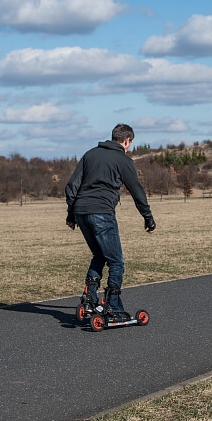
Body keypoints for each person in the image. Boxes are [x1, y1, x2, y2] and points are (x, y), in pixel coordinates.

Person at [65, 123, 156, 320]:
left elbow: (72, 186)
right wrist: (148, 219)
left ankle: (89, 299)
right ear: (127, 141)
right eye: (130, 144)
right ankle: (112, 306)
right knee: (116, 261)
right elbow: (137, 192)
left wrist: (71, 215)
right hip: (102, 212)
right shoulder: (122, 160)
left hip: (81, 212)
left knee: (99, 255)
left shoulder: (90, 154)